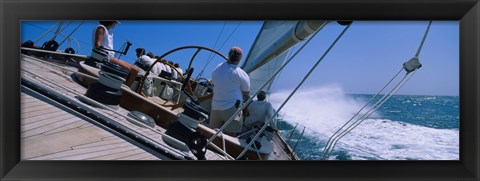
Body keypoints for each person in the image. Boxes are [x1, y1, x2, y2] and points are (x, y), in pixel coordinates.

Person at [209, 46, 250, 137]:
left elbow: (214, 81)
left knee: (212, 133)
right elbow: (246, 94)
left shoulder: (217, 68)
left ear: (228, 55)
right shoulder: (242, 74)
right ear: (239, 59)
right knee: (230, 136)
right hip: (231, 108)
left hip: (216, 106)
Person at [93, 20, 139, 86]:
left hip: (111, 57)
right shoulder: (101, 28)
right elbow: (97, 45)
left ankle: (126, 88)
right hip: (105, 57)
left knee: (135, 70)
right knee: (128, 69)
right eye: (115, 23)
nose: (115, 24)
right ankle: (121, 88)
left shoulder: (108, 32)